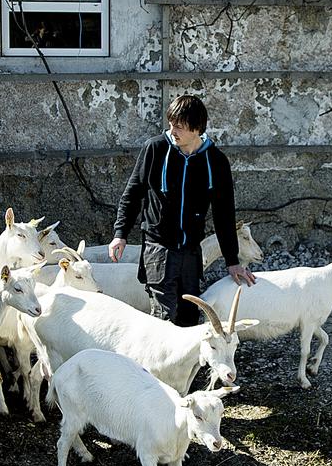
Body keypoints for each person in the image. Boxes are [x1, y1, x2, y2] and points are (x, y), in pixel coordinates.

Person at [107, 94, 255, 327]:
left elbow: (224, 214)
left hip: (190, 253)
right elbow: (133, 194)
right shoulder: (154, 149)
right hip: (158, 248)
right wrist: (120, 234)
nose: (172, 131)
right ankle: (154, 364)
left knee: (189, 318)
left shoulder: (216, 162)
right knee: (164, 321)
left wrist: (231, 260)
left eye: (179, 127)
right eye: (171, 124)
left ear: (197, 128)